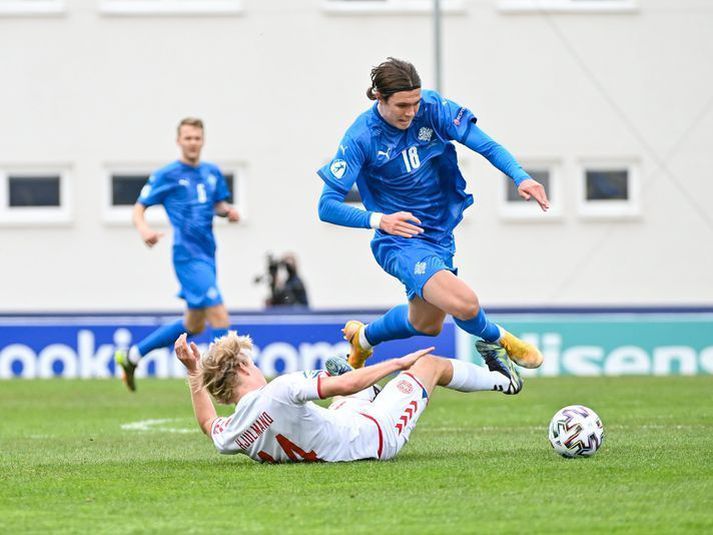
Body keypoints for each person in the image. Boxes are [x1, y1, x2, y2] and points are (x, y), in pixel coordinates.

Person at [317, 58, 550, 370]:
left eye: (415, 102)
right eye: (402, 105)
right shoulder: (361, 137)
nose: (411, 112)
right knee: (464, 303)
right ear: (378, 97)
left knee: (427, 324)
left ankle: (362, 339)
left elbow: (486, 146)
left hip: (439, 232)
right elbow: (326, 206)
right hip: (400, 239)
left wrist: (520, 176)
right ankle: (503, 340)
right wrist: (380, 220)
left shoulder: (432, 108)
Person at [174, 331, 522, 463]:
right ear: (244, 368)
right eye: (252, 360)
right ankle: (504, 380)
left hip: (338, 429)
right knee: (429, 365)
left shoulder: (232, 433)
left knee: (344, 393)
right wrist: (398, 363)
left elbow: (207, 423)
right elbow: (342, 387)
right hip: (375, 435)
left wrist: (193, 372)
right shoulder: (279, 389)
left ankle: (366, 384)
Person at [115, 117, 240, 392]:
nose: (193, 143)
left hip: (208, 253)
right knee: (219, 315)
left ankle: (133, 356)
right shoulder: (167, 174)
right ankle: (230, 382)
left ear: (203, 140)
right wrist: (144, 229)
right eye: (188, 138)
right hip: (187, 255)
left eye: (197, 138)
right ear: (178, 141)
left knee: (193, 323)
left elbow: (216, 203)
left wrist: (227, 211)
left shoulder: (211, 172)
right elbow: (139, 208)